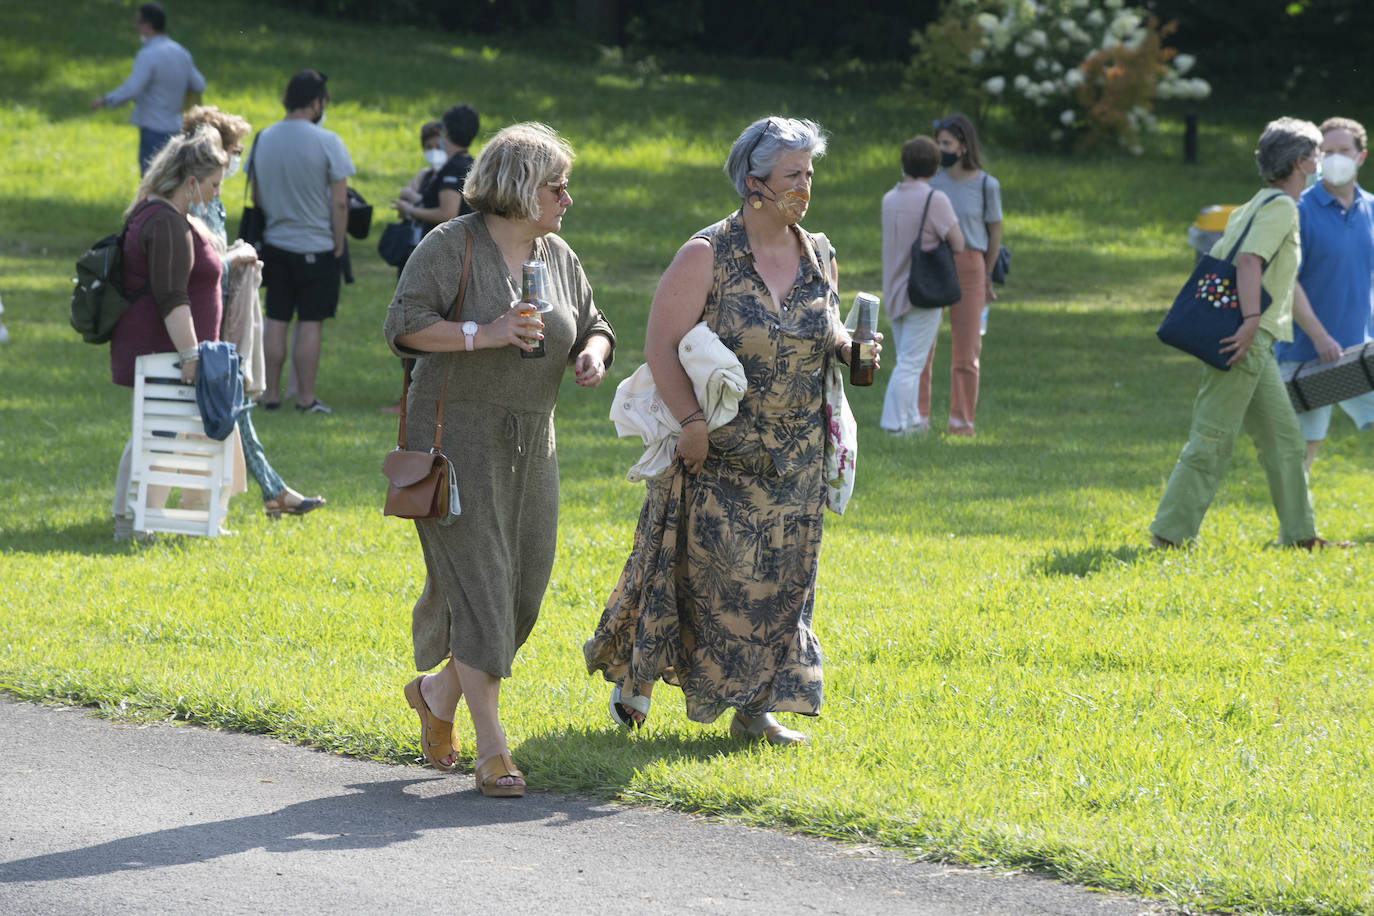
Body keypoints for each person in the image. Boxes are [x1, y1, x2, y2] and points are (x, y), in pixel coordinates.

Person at [584, 116, 869, 746]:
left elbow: (821, 334)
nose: (805, 187)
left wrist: (851, 349)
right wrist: (689, 423)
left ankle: (755, 712)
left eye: (809, 174)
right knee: (697, 578)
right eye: (793, 175)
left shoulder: (819, 252)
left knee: (783, 586)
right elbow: (661, 345)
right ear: (753, 182)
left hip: (795, 459)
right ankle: (640, 676)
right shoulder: (706, 254)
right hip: (715, 450)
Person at [383, 122, 616, 797]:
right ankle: (492, 751)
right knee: (482, 594)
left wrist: (591, 355)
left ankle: (434, 693)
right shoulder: (449, 246)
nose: (567, 198)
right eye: (556, 185)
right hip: (456, 441)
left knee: (522, 596)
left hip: (533, 441)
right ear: (518, 186)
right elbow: (401, 325)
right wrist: (482, 333)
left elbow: (594, 322)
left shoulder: (559, 254)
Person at [1149, 117, 1351, 552]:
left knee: (1285, 440)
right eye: (1316, 155)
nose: (1321, 163)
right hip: (1247, 341)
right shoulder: (1280, 208)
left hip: (1256, 346)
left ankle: (1300, 537)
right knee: (1213, 437)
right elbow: (1248, 262)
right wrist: (1250, 321)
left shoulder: (1253, 204)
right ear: (1301, 162)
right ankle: (1169, 535)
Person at [182, 106, 325, 520]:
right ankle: (272, 490)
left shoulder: (214, 197)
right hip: (209, 323)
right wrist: (238, 254)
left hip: (219, 317)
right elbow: (201, 264)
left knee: (236, 403)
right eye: (234, 151)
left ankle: (269, 490)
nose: (236, 160)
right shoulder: (198, 199)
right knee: (234, 403)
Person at [109, 128, 228, 540]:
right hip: (163, 350)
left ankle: (130, 518)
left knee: (152, 433)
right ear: (191, 182)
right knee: (160, 436)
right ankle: (137, 524)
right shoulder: (165, 222)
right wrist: (192, 356)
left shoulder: (158, 213)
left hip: (158, 348)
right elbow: (173, 298)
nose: (215, 195)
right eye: (213, 185)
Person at [250, 69, 355, 415]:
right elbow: (340, 202)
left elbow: (258, 197)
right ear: (315, 102)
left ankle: (269, 395)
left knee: (276, 318)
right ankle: (305, 398)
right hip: (317, 246)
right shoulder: (328, 141)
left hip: (275, 244)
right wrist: (338, 244)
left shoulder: (263, 138)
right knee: (310, 322)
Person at [1275, 116, 1374, 472]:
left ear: (1361, 156)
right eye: (1326, 151)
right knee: (1302, 453)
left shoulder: (1372, 209)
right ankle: (1296, 530)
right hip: (1305, 354)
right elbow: (1286, 281)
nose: (1335, 158)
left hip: (1362, 351)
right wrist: (1319, 336)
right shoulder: (1297, 210)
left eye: (1343, 150)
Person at [918, 114, 1002, 436]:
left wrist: (988, 274)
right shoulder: (931, 182)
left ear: (964, 147)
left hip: (971, 267)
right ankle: (919, 419)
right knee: (924, 346)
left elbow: (994, 234)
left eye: (947, 144)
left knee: (967, 353)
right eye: (938, 143)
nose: (940, 149)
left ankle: (961, 423)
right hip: (935, 266)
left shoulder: (986, 185)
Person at [879, 135, 966, 435]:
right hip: (924, 292)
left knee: (906, 359)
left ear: (904, 163)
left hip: (894, 291)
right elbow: (958, 242)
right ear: (935, 166)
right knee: (912, 363)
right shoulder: (935, 200)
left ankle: (912, 421)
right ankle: (893, 425)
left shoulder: (889, 199)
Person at [91, 2, 206, 174]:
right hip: (176, 128)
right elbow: (199, 84)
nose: (136, 27)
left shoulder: (148, 55)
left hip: (153, 130)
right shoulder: (181, 52)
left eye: (138, 22)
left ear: (148, 26)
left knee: (151, 184)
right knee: (173, 182)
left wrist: (106, 101)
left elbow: (132, 88)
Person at [394, 104, 479, 235]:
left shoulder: (452, 168)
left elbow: (447, 213)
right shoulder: (472, 164)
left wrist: (410, 211)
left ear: (444, 131)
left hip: (447, 246)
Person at [397, 120, 445, 210]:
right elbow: (401, 211)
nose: (434, 151)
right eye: (429, 147)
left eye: (438, 147)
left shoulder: (450, 176)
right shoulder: (423, 175)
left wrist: (410, 195)